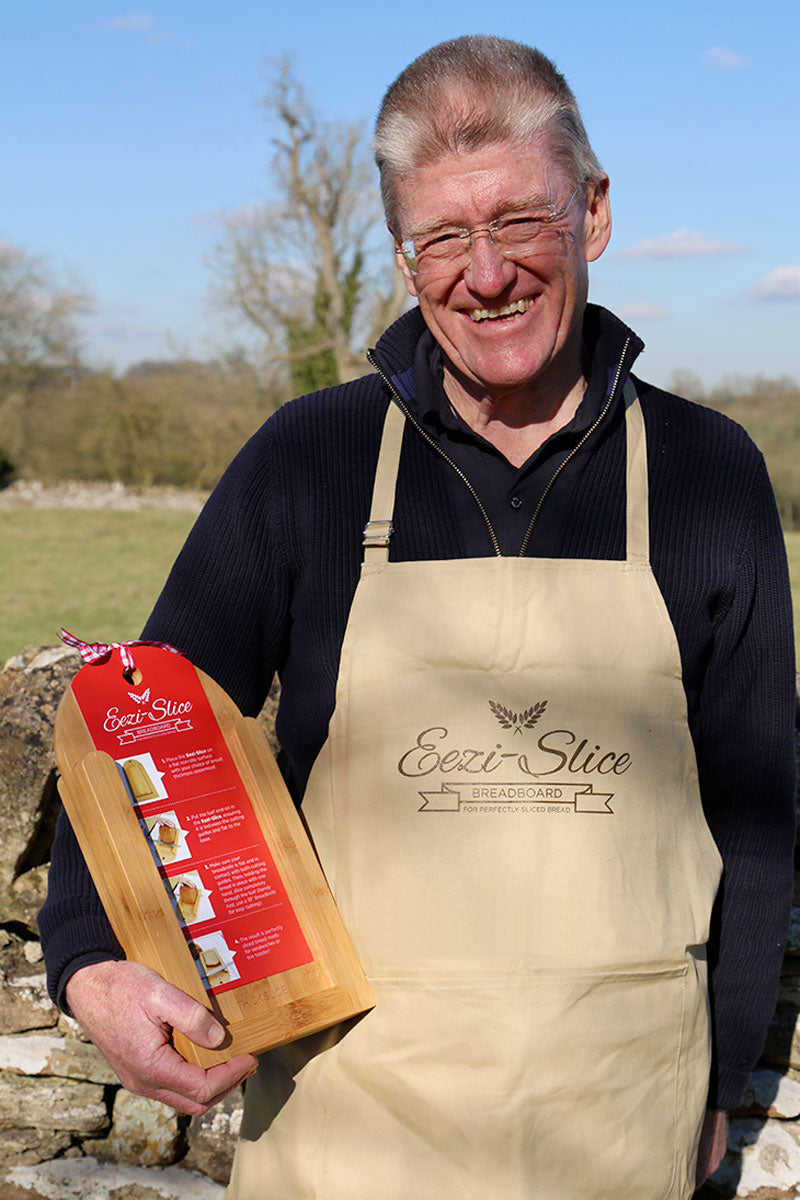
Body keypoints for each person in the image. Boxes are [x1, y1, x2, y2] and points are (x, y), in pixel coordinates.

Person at [40, 35, 796, 1200]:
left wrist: (718, 1083)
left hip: (617, 1116)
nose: (483, 273)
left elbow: (753, 810)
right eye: (441, 236)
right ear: (400, 261)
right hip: (349, 1119)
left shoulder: (707, 472)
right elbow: (153, 718)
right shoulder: (309, 460)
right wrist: (88, 956)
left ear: (591, 213)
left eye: (518, 221)